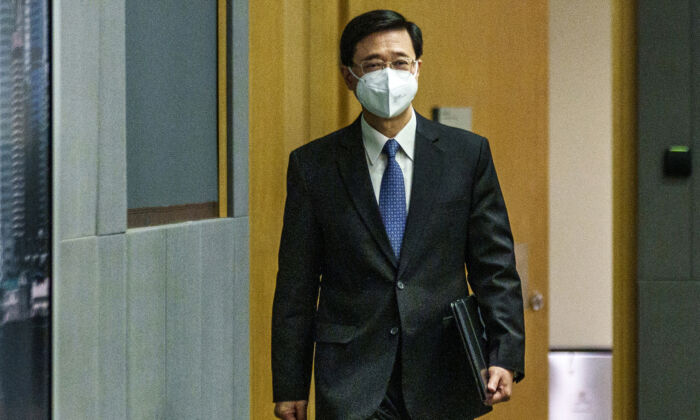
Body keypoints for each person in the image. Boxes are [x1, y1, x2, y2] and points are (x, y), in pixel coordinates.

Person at [271, 9, 525, 420]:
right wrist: (290, 385)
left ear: (418, 69)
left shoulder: (466, 155)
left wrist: (504, 353)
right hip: (352, 379)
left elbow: (494, 266)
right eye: (372, 65)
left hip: (443, 372)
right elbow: (296, 287)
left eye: (400, 62)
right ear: (349, 76)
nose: (388, 74)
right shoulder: (313, 166)